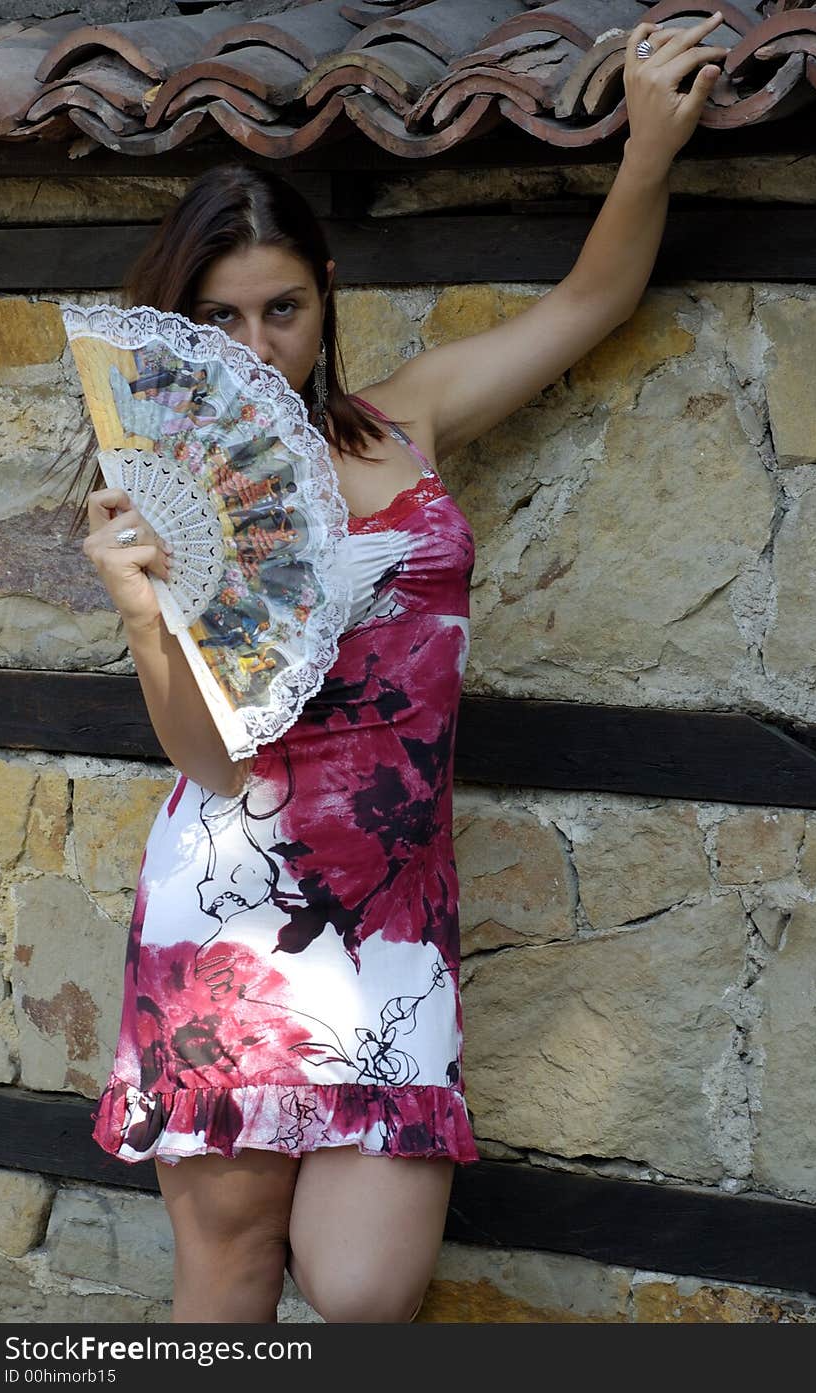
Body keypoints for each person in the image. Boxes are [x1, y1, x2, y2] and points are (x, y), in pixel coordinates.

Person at [75, 17, 728, 1324]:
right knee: (234, 1272)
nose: (257, 348)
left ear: (324, 291)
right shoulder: (177, 494)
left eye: (282, 307)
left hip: (392, 919)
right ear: (182, 330)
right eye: (220, 320)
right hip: (237, 909)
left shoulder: (404, 419)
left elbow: (588, 303)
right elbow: (210, 756)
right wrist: (143, 611)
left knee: (367, 1291)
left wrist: (649, 149)